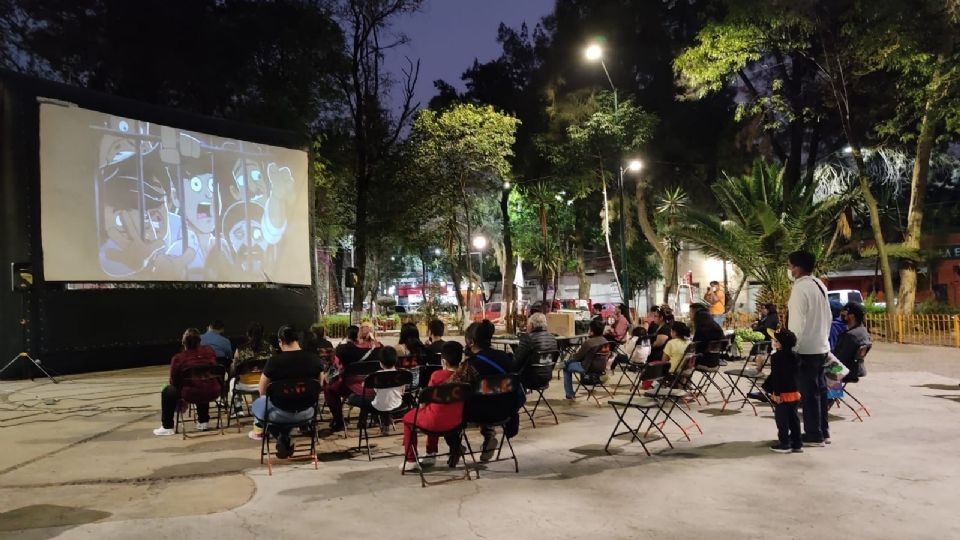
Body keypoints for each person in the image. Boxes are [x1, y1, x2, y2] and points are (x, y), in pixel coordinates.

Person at [248, 326, 323, 458]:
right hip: (308, 413)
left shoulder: (274, 361)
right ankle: (283, 436)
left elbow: (262, 390)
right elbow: (319, 385)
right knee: (277, 412)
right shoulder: (315, 359)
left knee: (258, 405)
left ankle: (278, 436)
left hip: (279, 414)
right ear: (297, 340)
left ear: (281, 341)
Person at [786, 250, 832, 447]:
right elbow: (829, 316)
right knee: (820, 391)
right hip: (821, 346)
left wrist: (790, 347)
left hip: (805, 349)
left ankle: (813, 434)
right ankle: (823, 431)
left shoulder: (800, 289)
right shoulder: (819, 285)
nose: (788, 270)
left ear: (796, 268)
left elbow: (796, 322)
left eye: (789, 266)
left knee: (809, 394)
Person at [400, 341, 469, 470]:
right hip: (457, 421)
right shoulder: (465, 378)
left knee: (408, 418)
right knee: (433, 411)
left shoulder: (437, 376)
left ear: (443, 361)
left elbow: (424, 401)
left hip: (435, 422)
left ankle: (411, 459)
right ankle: (430, 453)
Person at [463, 320, 516, 461]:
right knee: (487, 397)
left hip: (478, 414)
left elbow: (455, 386)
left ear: (471, 342)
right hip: (506, 412)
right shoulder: (505, 357)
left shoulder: (470, 365)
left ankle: (456, 445)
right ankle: (489, 436)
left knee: (459, 401)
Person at [154, 328, 220, 436]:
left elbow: (173, 381)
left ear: (183, 343)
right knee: (203, 381)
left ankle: (167, 426)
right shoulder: (210, 352)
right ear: (200, 341)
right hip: (213, 391)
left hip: (191, 394)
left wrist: (180, 398)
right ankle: (203, 421)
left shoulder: (179, 358)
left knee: (167, 390)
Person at [325, 325, 379, 432]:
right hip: (375, 386)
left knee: (329, 389)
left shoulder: (344, 349)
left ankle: (339, 421)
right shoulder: (380, 347)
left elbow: (335, 370)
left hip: (353, 387)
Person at [348, 346, 405, 435]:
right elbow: (402, 391)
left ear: (381, 363)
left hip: (379, 405)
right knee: (383, 398)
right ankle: (383, 423)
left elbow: (367, 388)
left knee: (353, 398)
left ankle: (363, 423)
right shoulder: (402, 374)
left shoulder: (377, 375)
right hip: (398, 404)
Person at [762, 329, 803, 453]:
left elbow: (777, 376)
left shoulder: (776, 357)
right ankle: (797, 443)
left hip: (782, 393)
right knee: (794, 419)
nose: (774, 342)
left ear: (780, 343)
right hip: (795, 392)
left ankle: (784, 443)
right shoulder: (796, 356)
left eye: (776, 340)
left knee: (782, 420)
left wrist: (777, 393)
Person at [229, 322, 275, 411]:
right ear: (263, 334)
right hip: (266, 384)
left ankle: (238, 410)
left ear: (248, 334)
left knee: (232, 381)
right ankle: (259, 407)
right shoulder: (270, 348)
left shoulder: (240, 349)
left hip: (246, 385)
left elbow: (234, 371)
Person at [563, 319, 609, 399]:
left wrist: (568, 360)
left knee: (566, 367)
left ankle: (569, 394)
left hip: (588, 368)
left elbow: (577, 357)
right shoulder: (605, 341)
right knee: (570, 363)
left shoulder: (589, 342)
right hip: (602, 368)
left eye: (589, 328)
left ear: (592, 331)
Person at [833, 302, 871, 380]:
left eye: (844, 313)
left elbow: (840, 359)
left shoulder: (850, 336)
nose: (842, 316)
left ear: (851, 316)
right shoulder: (864, 331)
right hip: (857, 368)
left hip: (844, 370)